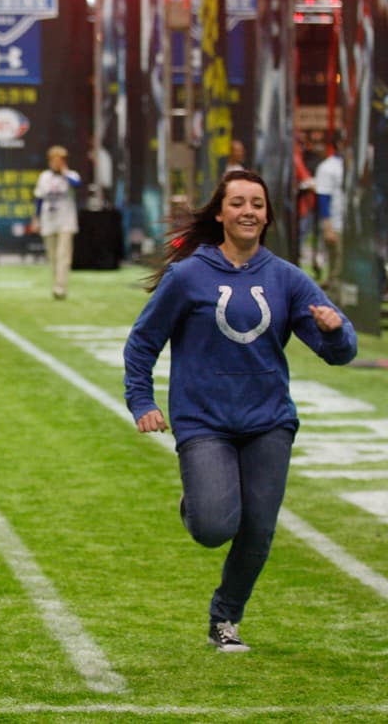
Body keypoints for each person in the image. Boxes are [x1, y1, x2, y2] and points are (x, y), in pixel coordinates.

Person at [123, 169, 357, 653]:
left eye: (257, 204)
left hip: (269, 421)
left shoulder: (286, 278)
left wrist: (335, 332)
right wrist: (142, 401)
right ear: (220, 214)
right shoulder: (187, 276)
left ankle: (225, 617)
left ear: (267, 216)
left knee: (259, 529)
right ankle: (198, 501)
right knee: (213, 527)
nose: (248, 211)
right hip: (203, 420)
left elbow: (339, 352)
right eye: (238, 203)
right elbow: (142, 343)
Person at [31, 145, 81, 300]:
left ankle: (60, 288)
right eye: (54, 160)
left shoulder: (71, 175)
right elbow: (39, 199)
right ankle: (56, 284)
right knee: (52, 257)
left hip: (66, 222)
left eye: (59, 160)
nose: (56, 163)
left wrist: (64, 172)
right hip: (48, 221)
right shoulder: (44, 177)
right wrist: (36, 218)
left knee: (63, 256)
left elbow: (77, 184)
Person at [313, 148, 344, 288]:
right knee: (336, 260)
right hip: (335, 222)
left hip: (350, 223)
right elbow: (323, 198)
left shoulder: (349, 165)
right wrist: (328, 226)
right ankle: (333, 288)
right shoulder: (328, 167)